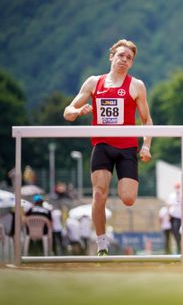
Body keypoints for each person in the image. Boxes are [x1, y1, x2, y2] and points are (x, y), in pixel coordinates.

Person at [63, 39, 153, 256]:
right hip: (102, 145)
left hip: (127, 148)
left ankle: (109, 219)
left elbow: (146, 120)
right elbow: (67, 111)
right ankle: (101, 244)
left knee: (128, 198)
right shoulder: (94, 83)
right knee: (99, 194)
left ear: (131, 64)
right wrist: (77, 112)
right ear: (111, 56)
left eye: (129, 58)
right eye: (121, 55)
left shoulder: (136, 85)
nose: (124, 60)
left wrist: (146, 146)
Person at [167, 182, 182, 254]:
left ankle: (179, 247)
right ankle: (177, 246)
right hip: (172, 216)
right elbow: (169, 205)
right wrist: (168, 215)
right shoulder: (171, 196)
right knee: (173, 232)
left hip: (179, 217)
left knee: (176, 231)